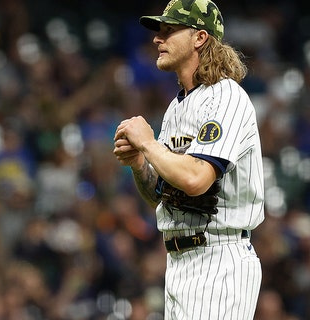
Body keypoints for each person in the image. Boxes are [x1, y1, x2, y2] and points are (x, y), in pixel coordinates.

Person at [112, 0, 264, 319]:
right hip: (181, 262)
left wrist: (150, 144)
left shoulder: (226, 96)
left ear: (199, 38)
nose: (157, 38)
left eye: (169, 30)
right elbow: (160, 193)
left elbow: (196, 180)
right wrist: (140, 163)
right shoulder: (177, 109)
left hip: (219, 258)